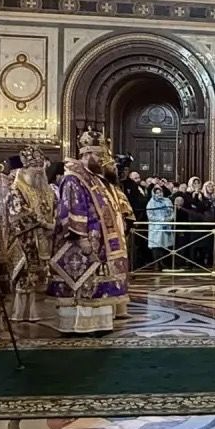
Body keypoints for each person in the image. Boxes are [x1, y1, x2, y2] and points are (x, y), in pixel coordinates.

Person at [46, 129, 129, 333]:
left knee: (99, 285)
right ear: (86, 154)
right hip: (83, 242)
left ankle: (99, 323)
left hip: (102, 242)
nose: (101, 160)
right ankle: (79, 324)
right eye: (98, 155)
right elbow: (72, 208)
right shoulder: (74, 179)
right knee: (83, 285)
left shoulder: (97, 178)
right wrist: (81, 237)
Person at [5, 145, 56, 320]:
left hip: (43, 238)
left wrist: (53, 222)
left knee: (39, 276)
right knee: (25, 275)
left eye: (40, 167)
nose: (38, 171)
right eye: (34, 167)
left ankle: (36, 312)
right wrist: (43, 223)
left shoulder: (46, 190)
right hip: (24, 239)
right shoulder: (16, 188)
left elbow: (54, 207)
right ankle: (19, 313)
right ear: (25, 168)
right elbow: (17, 213)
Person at [144, 184, 175, 268]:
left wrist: (170, 218)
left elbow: (172, 211)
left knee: (165, 245)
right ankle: (157, 263)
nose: (159, 194)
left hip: (166, 226)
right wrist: (162, 219)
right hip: (156, 227)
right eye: (157, 193)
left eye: (160, 192)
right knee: (156, 245)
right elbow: (150, 216)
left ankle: (163, 262)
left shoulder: (167, 200)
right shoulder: (151, 203)